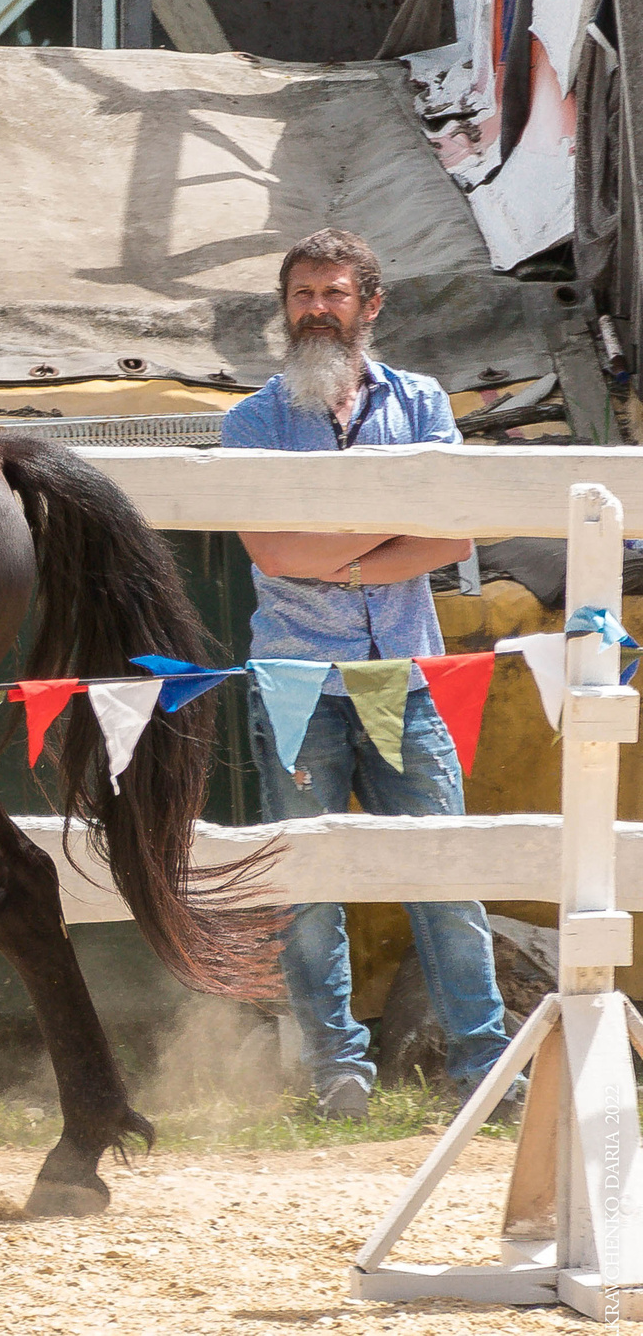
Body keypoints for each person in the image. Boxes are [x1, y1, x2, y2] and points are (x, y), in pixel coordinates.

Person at [221, 227, 510, 1118]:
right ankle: (337, 1074)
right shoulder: (252, 420)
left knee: (446, 879)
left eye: (334, 293)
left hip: (410, 683)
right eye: (302, 294)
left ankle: (487, 1072)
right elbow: (268, 549)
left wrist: (331, 554)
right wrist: (385, 528)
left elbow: (456, 533)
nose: (316, 309)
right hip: (296, 681)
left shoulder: (421, 401)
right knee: (308, 889)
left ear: (369, 306)